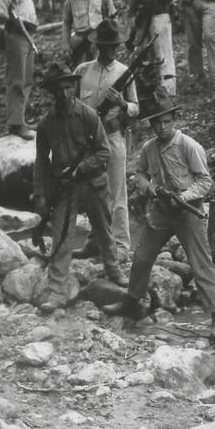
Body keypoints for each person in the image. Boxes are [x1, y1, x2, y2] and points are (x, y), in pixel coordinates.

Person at [102, 90, 215, 341]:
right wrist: (150, 189)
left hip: (186, 212)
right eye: (157, 122)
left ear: (174, 120)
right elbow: (139, 174)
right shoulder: (149, 148)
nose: (162, 127)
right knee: (141, 256)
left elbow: (205, 182)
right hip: (161, 211)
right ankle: (131, 302)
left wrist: (184, 197)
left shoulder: (189, 146)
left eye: (167, 121)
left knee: (201, 262)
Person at [34, 63, 125, 313]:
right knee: (61, 238)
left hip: (93, 181)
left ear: (73, 87)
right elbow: (41, 161)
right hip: (64, 187)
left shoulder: (88, 115)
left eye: (67, 87)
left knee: (104, 230)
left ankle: (114, 272)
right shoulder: (46, 124)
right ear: (52, 92)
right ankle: (57, 292)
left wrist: (81, 168)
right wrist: (40, 194)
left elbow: (104, 152)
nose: (64, 94)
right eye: (58, 89)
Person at [72, 19, 139, 263]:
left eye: (113, 47)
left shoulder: (124, 73)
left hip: (112, 136)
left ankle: (121, 246)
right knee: (94, 193)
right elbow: (74, 104)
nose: (110, 51)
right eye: (105, 46)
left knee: (117, 193)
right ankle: (94, 241)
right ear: (98, 47)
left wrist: (122, 103)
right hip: (88, 141)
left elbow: (136, 108)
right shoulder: (82, 71)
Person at [0, 0, 38, 140]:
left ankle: (20, 119)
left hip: (29, 34)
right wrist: (14, 22)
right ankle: (15, 124)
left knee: (27, 79)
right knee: (17, 80)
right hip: (16, 35)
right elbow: (0, 11)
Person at [63, 0, 115, 67]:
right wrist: (66, 45)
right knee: (81, 71)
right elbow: (66, 23)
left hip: (100, 41)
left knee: (102, 69)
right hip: (79, 42)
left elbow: (113, 21)